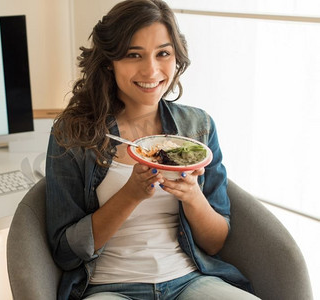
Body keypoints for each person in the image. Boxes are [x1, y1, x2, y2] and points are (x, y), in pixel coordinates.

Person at [45, 0, 259, 299]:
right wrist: (130, 194)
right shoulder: (73, 133)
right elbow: (65, 252)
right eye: (134, 55)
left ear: (176, 58)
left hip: (189, 280)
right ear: (110, 60)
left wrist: (193, 195)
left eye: (163, 53)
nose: (151, 70)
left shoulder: (198, 127)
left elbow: (215, 243)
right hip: (109, 286)